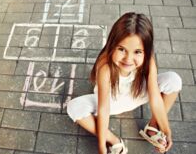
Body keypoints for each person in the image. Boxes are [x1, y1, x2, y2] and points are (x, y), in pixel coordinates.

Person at [67, 12, 182, 154]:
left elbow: (155, 98)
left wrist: (166, 130)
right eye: (122, 49)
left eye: (137, 52)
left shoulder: (148, 61)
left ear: (146, 51)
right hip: (112, 102)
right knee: (74, 107)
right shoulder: (105, 66)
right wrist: (102, 147)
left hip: (136, 94)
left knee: (173, 79)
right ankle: (115, 141)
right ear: (112, 45)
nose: (128, 59)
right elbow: (104, 109)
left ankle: (152, 128)